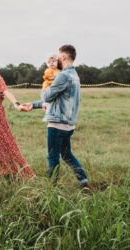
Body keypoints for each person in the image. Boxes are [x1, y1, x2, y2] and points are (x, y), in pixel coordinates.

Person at [25, 45, 92, 190]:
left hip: (57, 123)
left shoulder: (62, 75)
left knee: (52, 156)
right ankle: (84, 182)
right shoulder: (74, 75)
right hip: (69, 123)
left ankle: (51, 189)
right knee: (67, 154)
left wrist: (44, 87)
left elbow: (47, 96)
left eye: (58, 57)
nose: (57, 60)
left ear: (64, 57)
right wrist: (34, 105)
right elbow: (57, 99)